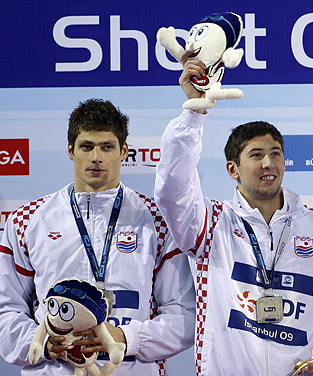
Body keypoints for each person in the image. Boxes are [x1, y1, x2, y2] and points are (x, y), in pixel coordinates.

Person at [154, 56, 313, 376]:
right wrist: (194, 113)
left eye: (275, 154)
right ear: (232, 169)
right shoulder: (208, 224)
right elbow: (172, 187)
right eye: (256, 155)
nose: (268, 163)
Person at [0, 99, 196, 375]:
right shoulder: (27, 219)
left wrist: (129, 338)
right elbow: (6, 308)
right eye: (86, 146)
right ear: (71, 151)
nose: (96, 157)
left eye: (107, 147)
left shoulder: (157, 219)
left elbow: (184, 313)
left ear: (124, 151)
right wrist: (42, 342)